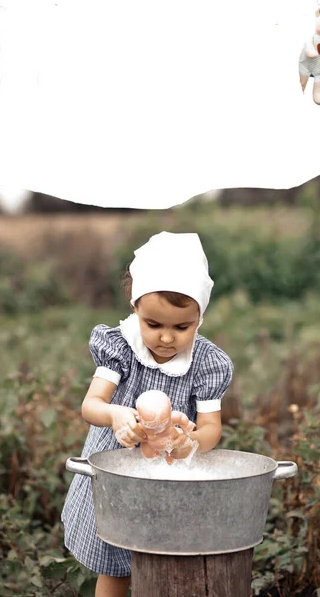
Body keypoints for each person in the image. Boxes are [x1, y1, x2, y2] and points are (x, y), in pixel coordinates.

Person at [61, 231, 234, 597]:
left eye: (181, 327)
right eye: (153, 324)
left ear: (199, 317)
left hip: (170, 478)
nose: (166, 338)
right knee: (116, 565)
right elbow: (90, 405)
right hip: (116, 476)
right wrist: (115, 415)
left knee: (168, 564)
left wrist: (190, 442)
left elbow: (211, 429)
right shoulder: (121, 346)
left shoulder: (206, 364)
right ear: (135, 307)